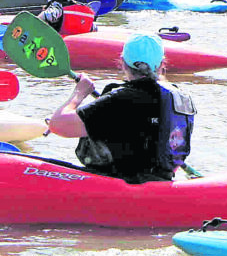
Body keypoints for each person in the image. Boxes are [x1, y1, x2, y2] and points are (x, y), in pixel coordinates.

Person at [47, 34, 195, 184]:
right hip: (162, 180)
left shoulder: (120, 100)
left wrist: (80, 92)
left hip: (121, 184)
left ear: (123, 63)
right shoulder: (181, 98)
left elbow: (57, 124)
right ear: (162, 64)